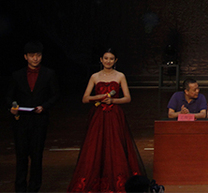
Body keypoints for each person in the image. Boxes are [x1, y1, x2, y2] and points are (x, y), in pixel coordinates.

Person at [68, 48, 146, 192]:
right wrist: (97, 98)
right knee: (95, 146)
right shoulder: (95, 76)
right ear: (101, 60)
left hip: (114, 115)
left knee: (116, 145)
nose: (108, 61)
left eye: (111, 59)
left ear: (115, 61)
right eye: (105, 58)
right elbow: (85, 98)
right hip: (98, 116)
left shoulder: (120, 76)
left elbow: (127, 98)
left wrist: (113, 101)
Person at [6, 40, 59, 193]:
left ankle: (34, 188)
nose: (35, 58)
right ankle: (20, 188)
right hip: (21, 120)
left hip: (39, 120)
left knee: (36, 156)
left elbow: (55, 95)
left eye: (38, 55)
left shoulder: (49, 73)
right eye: (32, 55)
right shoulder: (17, 75)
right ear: (25, 57)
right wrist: (12, 108)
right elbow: (9, 96)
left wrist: (44, 106)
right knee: (21, 155)